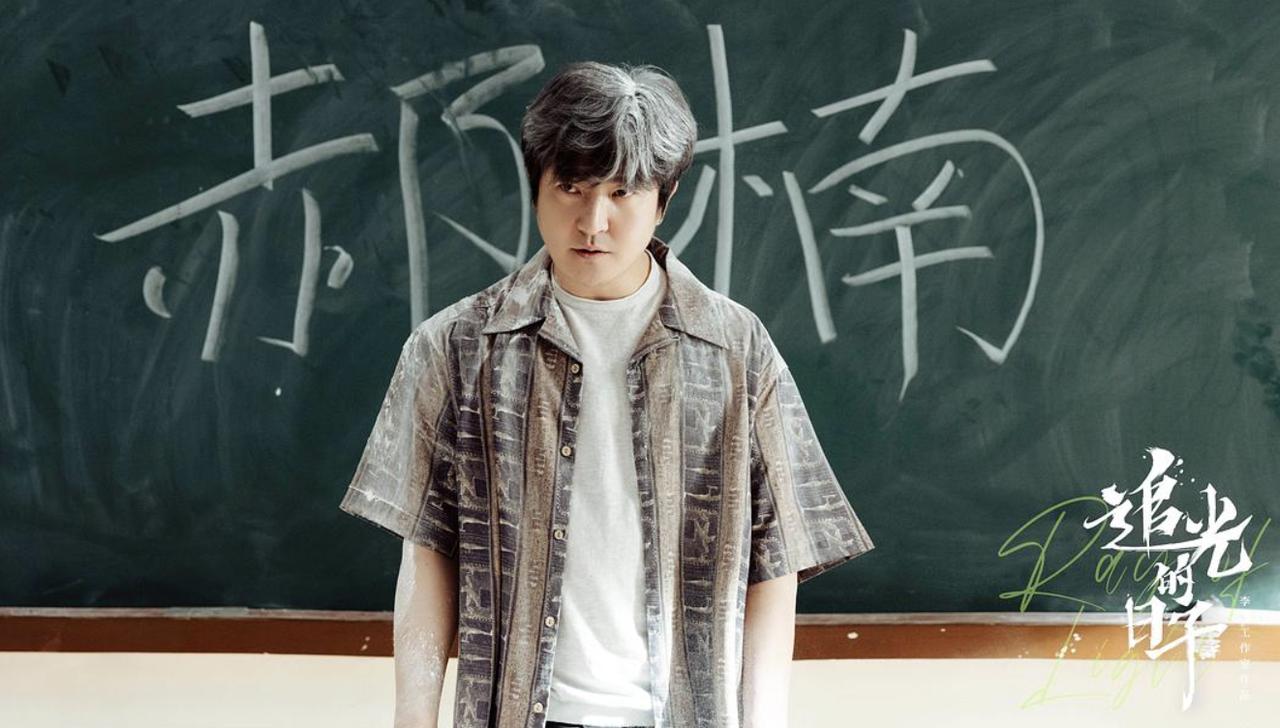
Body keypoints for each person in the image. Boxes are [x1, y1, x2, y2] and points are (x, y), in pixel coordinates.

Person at [338, 60, 875, 728]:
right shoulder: (454, 347)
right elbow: (428, 553)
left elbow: (776, 561)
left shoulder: (736, 350)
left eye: (623, 192)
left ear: (663, 200)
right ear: (537, 188)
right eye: (571, 188)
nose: (593, 221)